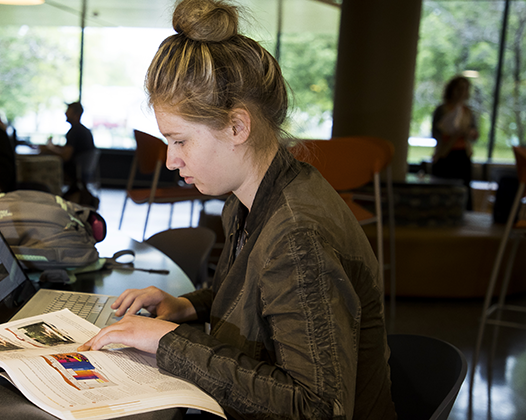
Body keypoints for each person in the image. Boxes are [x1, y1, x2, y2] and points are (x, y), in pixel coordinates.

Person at [78, 0, 397, 418]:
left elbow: (318, 407)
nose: (171, 160)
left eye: (179, 140)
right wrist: (190, 306)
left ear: (236, 127)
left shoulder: (298, 238)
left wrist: (167, 341)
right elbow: (261, 297)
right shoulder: (261, 194)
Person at [431, 75, 479, 211]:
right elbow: (435, 133)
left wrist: (469, 133)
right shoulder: (442, 110)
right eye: (460, 89)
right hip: (446, 154)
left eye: (465, 89)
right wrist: (449, 133)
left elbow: (475, 133)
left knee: (463, 188)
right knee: (443, 188)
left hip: (463, 155)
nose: (462, 92)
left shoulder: (468, 111)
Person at [40, 101, 99, 206]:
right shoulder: (83, 130)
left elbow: (66, 156)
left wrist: (48, 149)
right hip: (83, 171)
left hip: (75, 171)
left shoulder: (75, 131)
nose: (65, 114)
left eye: (68, 111)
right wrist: (55, 147)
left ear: (75, 114)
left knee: (43, 166)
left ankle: (47, 201)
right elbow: (69, 149)